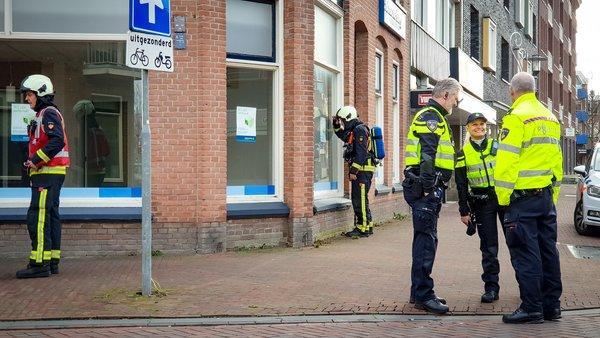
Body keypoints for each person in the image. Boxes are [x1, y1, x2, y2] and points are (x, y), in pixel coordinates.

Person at [496, 72, 563, 324]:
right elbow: (557, 161)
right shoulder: (551, 117)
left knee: (526, 254)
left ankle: (532, 308)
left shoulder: (515, 118)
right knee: (548, 252)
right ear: (533, 90)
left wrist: (503, 199)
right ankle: (552, 307)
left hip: (521, 200)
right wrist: (552, 194)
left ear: (512, 92)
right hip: (545, 197)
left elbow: (506, 161)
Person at [402, 78, 462, 314]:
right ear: (446, 95)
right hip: (425, 189)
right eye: (456, 98)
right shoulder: (432, 117)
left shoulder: (434, 117)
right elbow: (428, 155)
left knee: (423, 240)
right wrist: (428, 187)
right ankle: (424, 296)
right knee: (426, 242)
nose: (456, 104)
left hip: (424, 188)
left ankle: (418, 291)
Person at [16, 74, 70, 279]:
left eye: (29, 94)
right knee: (50, 216)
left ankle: (39, 264)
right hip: (50, 174)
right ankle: (52, 261)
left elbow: (56, 141)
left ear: (41, 93)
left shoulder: (48, 113)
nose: (27, 99)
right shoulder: (44, 114)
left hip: (46, 175)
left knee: (37, 218)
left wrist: (36, 160)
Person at [455, 112, 504, 304]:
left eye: (482, 124)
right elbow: (461, 183)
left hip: (504, 199)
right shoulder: (463, 153)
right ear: (468, 128)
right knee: (489, 248)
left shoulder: (497, 147)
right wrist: (463, 211)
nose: (479, 127)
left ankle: (527, 287)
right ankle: (491, 288)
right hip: (482, 203)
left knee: (517, 243)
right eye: (475, 124)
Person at [332, 106, 375, 238]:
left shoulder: (360, 130)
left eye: (343, 121)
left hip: (362, 171)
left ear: (349, 118)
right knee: (362, 199)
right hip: (362, 170)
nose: (342, 123)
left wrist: (353, 171)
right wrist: (335, 125)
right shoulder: (354, 130)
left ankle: (362, 228)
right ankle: (368, 225)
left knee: (359, 200)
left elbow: (361, 154)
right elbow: (343, 135)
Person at [74, 100, 110, 187]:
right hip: (99, 171)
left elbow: (83, 153)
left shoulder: (87, 131)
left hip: (90, 171)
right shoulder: (98, 130)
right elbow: (107, 151)